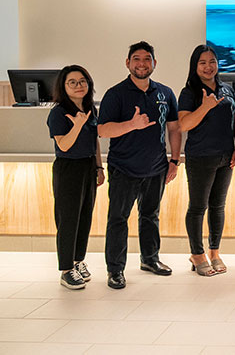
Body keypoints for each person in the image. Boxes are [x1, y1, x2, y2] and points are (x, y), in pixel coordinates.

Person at [98, 41, 180, 289]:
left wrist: (174, 160)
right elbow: (102, 130)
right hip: (124, 168)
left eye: (147, 59)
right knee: (118, 218)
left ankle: (150, 259)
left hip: (156, 168)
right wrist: (131, 125)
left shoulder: (165, 93)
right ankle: (115, 270)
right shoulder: (115, 94)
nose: (142, 63)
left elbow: (174, 128)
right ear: (128, 63)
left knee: (150, 216)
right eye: (136, 59)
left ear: (154, 63)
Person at [178, 45, 235, 277]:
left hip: (226, 156)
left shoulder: (227, 89)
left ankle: (214, 252)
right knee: (197, 207)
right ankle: (197, 254)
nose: (208, 66)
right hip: (201, 157)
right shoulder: (190, 92)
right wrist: (204, 107)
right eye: (202, 62)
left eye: (212, 61)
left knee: (218, 207)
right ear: (195, 66)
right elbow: (184, 125)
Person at [47, 65, 105, 289]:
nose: (79, 85)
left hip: (88, 166)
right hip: (68, 168)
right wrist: (78, 125)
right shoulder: (59, 112)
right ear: (63, 86)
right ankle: (65, 269)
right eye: (72, 82)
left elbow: (95, 141)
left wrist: (99, 167)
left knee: (84, 217)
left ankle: (78, 260)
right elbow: (63, 144)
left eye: (83, 81)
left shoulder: (91, 108)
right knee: (68, 219)